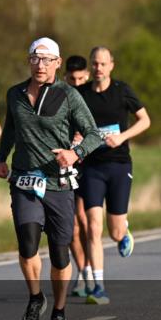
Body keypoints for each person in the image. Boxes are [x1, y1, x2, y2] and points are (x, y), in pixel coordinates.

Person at [0, 38, 103, 320]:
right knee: (27, 243)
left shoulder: (68, 95)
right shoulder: (15, 93)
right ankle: (34, 298)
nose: (39, 65)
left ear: (57, 63)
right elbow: (12, 128)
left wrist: (75, 154)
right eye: (34, 59)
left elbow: (94, 134)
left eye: (46, 60)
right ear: (28, 61)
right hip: (25, 180)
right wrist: (2, 158)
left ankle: (59, 312)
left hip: (58, 183)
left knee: (59, 254)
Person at [76, 46, 150, 305]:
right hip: (92, 167)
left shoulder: (122, 91)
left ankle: (124, 231)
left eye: (103, 64)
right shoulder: (80, 94)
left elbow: (145, 121)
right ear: (90, 67)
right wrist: (76, 137)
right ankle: (98, 286)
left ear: (111, 66)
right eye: (94, 64)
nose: (98, 68)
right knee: (92, 226)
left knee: (114, 232)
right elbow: (70, 124)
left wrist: (122, 137)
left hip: (119, 165)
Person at [63, 55, 94, 298]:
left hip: (90, 165)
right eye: (72, 79)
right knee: (74, 226)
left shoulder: (91, 97)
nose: (76, 83)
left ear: (88, 76)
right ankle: (83, 273)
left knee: (85, 221)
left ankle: (93, 268)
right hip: (67, 165)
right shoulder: (60, 96)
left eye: (81, 78)